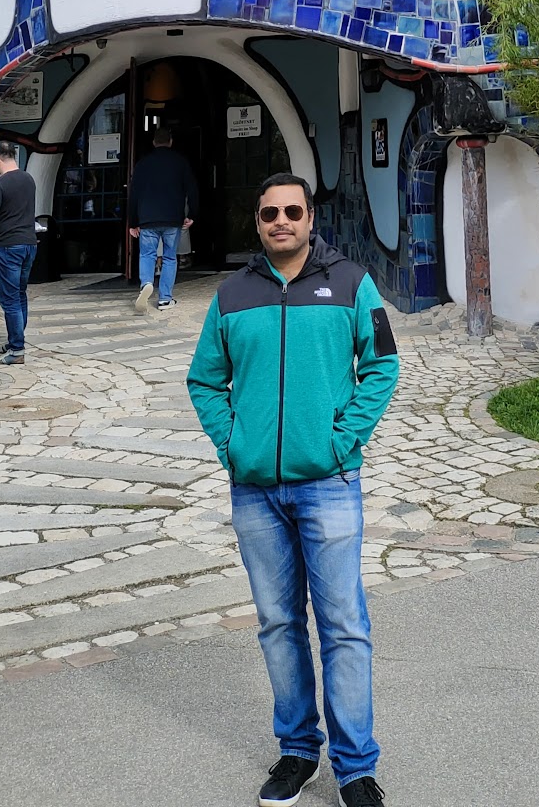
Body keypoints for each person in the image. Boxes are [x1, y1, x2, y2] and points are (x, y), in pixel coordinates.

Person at [187, 174, 399, 807]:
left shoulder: (353, 284)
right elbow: (205, 381)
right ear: (257, 222)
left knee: (343, 625)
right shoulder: (232, 295)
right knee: (279, 624)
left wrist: (342, 439)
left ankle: (355, 768)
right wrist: (234, 445)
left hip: (329, 484)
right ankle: (298, 752)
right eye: (269, 213)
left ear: (310, 218)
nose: (281, 221)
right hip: (256, 491)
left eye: (292, 211)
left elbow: (382, 365)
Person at [0, 142, 38, 366]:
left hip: (8, 246)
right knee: (20, 295)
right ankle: (15, 341)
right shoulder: (28, 179)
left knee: (9, 300)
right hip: (29, 244)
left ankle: (16, 349)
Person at [127, 126, 198, 312]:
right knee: (169, 257)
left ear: (153, 142)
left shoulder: (142, 164)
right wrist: (192, 214)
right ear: (171, 142)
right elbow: (192, 189)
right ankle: (165, 299)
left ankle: (146, 284)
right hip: (172, 218)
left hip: (147, 219)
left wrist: (133, 222)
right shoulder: (180, 162)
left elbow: (133, 194)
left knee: (147, 254)